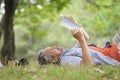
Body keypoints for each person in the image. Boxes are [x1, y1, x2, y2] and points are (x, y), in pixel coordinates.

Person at [38, 17, 120, 66]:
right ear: (54, 60)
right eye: (51, 49)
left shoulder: (68, 52)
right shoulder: (65, 60)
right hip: (114, 56)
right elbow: (87, 64)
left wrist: (73, 24)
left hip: (113, 48)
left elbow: (85, 37)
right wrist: (80, 40)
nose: (54, 46)